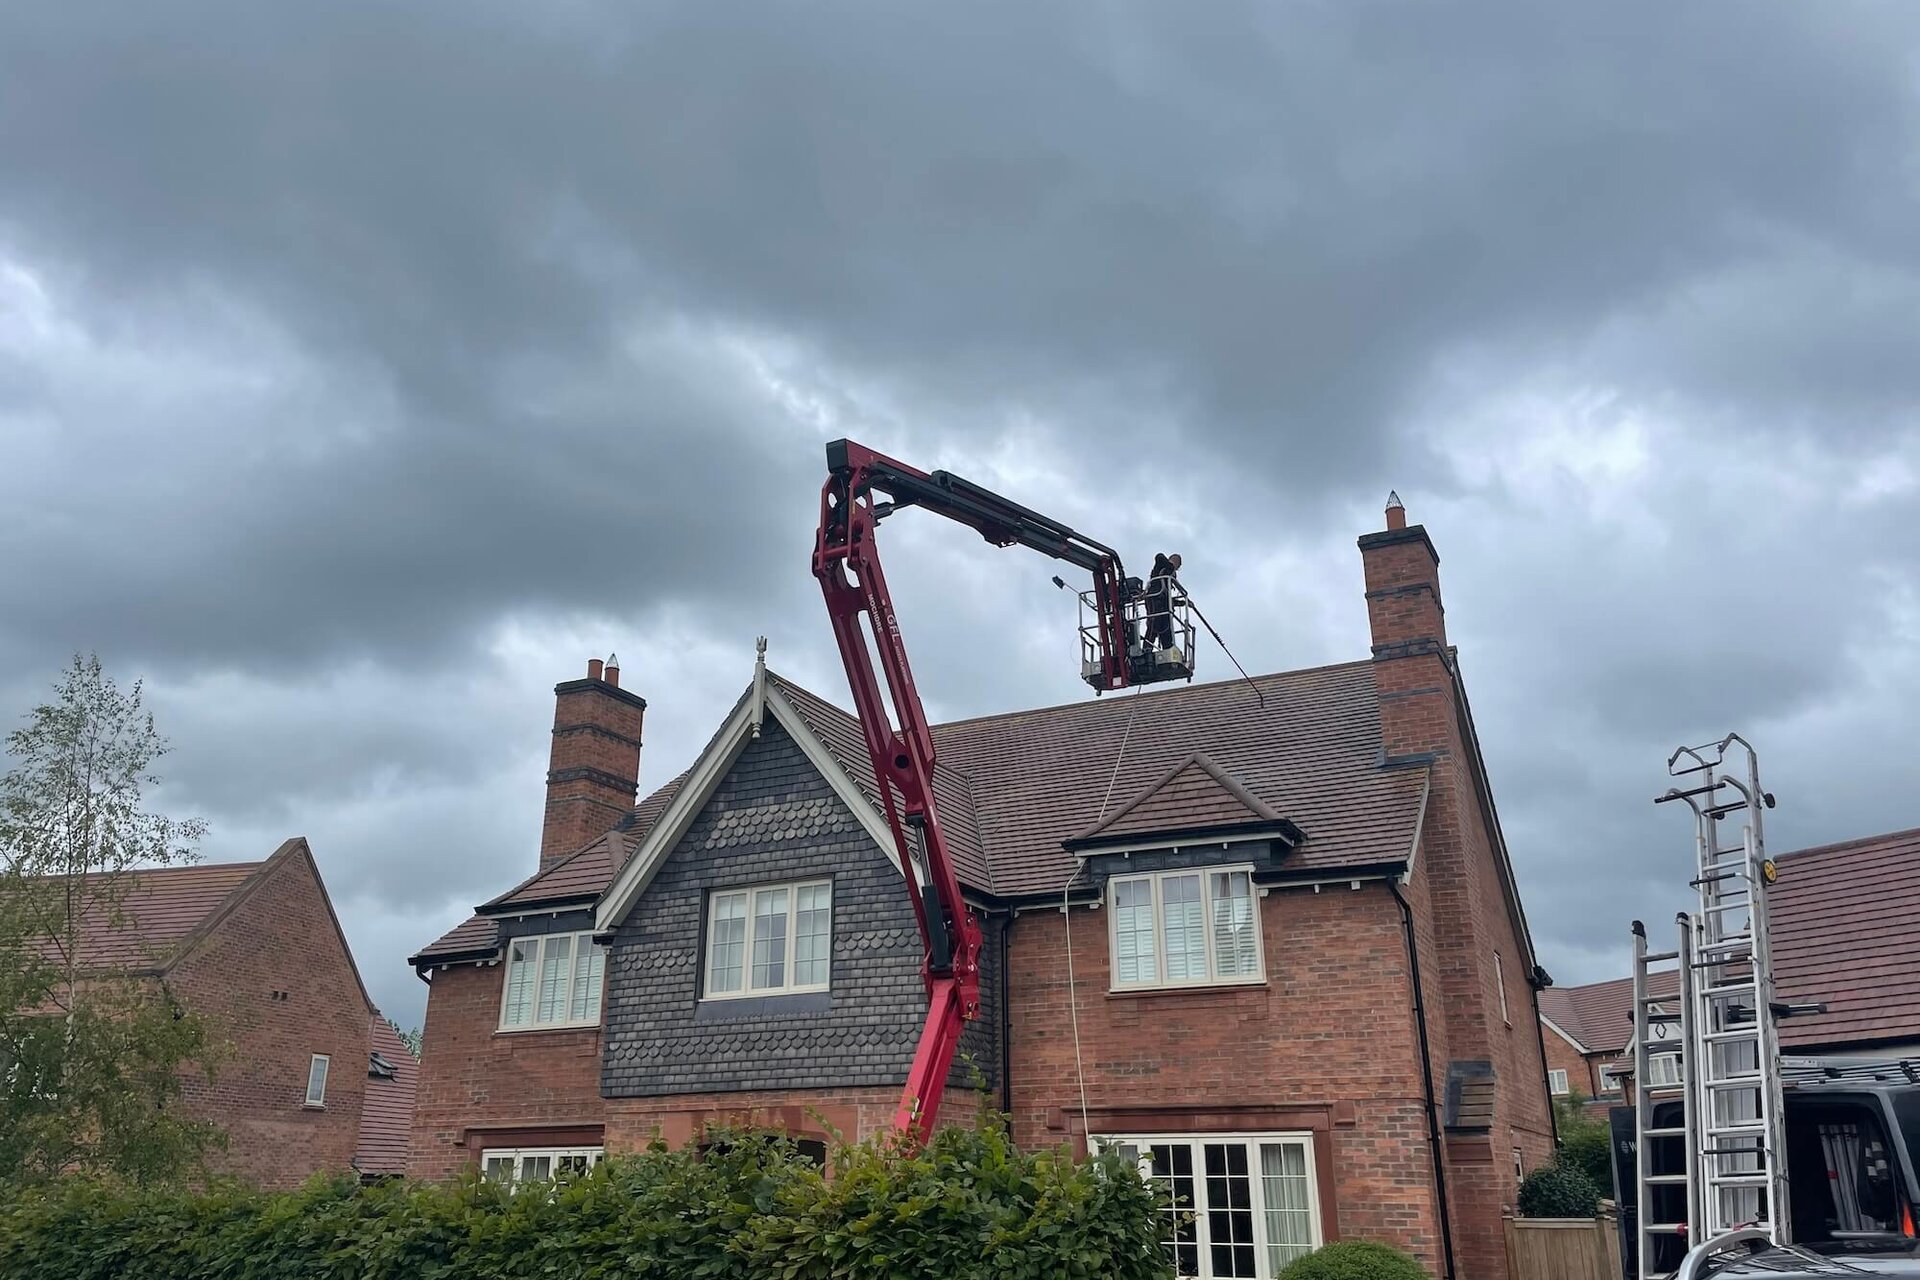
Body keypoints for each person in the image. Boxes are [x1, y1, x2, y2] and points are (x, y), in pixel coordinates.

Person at [1144, 552, 1183, 651]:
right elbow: (1159, 556)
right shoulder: (1162, 565)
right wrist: (1170, 566)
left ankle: (1168, 650)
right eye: (1176, 563)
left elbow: (1169, 600)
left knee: (1166, 628)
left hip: (1164, 603)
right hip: (1154, 598)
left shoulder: (1170, 578)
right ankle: (1146, 649)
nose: (1176, 567)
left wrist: (1183, 603)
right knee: (1154, 624)